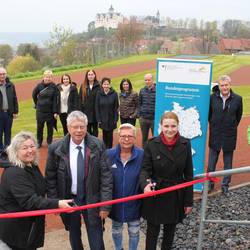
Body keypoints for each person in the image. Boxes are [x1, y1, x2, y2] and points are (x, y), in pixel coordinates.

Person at [45, 111, 113, 250]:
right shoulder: (55, 148)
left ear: (86, 127)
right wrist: (54, 202)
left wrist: (105, 205)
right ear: (68, 127)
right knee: (74, 235)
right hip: (69, 200)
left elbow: (106, 176)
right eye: (75, 127)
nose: (78, 130)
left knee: (96, 239)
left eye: (82, 126)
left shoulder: (98, 145)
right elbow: (50, 177)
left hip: (92, 199)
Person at [0, 131, 72, 250]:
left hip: (27, 228)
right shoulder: (14, 172)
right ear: (15, 151)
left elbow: (42, 186)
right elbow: (29, 201)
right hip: (15, 233)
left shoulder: (30, 165)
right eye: (24, 148)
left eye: (32, 146)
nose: (30, 150)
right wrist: (57, 204)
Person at [139, 112, 194, 250]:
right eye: (166, 126)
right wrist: (146, 185)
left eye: (173, 126)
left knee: (170, 232)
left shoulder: (185, 144)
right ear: (160, 126)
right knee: (152, 232)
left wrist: (188, 201)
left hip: (175, 194)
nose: (170, 129)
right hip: (156, 192)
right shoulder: (151, 144)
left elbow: (188, 175)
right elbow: (145, 170)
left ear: (178, 126)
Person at [107, 123, 144, 250]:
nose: (126, 139)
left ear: (134, 138)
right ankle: (118, 248)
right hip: (115, 204)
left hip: (134, 204)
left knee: (134, 231)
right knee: (116, 229)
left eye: (129, 136)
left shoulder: (142, 155)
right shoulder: (109, 155)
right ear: (118, 137)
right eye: (123, 136)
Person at [207, 75, 243, 194]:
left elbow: (238, 117)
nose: (224, 87)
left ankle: (225, 185)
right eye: (222, 85)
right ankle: (210, 184)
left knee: (228, 162)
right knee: (211, 162)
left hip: (229, 135)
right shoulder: (212, 98)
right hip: (215, 134)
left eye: (226, 85)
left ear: (230, 85)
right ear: (219, 86)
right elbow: (209, 115)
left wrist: (230, 126)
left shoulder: (238, 99)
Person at [32, 70, 59, 148]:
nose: (48, 78)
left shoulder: (54, 87)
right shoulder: (39, 86)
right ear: (43, 77)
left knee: (50, 127)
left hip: (50, 111)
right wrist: (37, 104)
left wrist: (55, 112)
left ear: (52, 78)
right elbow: (34, 94)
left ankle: (49, 141)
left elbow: (55, 100)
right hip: (40, 110)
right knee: (40, 127)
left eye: (50, 77)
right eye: (47, 77)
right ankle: (39, 142)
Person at [95, 77, 119, 149]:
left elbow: (116, 107)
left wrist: (116, 119)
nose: (106, 86)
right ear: (102, 85)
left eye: (107, 84)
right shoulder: (99, 94)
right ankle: (105, 149)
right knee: (104, 135)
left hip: (111, 119)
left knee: (110, 135)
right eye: (104, 84)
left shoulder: (114, 94)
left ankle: (110, 149)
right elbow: (97, 107)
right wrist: (98, 119)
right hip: (102, 119)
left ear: (109, 85)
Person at [0, 67, 18, 153]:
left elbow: (14, 98)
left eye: (4, 74)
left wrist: (15, 111)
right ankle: (0, 151)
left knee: (8, 133)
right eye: (1, 74)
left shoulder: (11, 85)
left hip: (9, 113)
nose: (2, 76)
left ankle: (7, 151)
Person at [79, 70, 100, 137]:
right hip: (86, 112)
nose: (90, 76)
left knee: (95, 129)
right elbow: (80, 99)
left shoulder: (99, 85)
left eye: (92, 74)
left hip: (95, 111)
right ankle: (89, 144)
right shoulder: (83, 86)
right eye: (89, 75)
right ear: (87, 76)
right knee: (87, 129)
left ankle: (95, 143)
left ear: (94, 75)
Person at [138, 73, 156, 148]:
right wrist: (140, 116)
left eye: (149, 80)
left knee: (155, 138)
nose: (147, 81)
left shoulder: (157, 90)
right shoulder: (142, 90)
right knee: (144, 138)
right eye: (146, 80)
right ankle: (144, 154)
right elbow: (139, 103)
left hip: (154, 119)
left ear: (152, 80)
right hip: (144, 119)